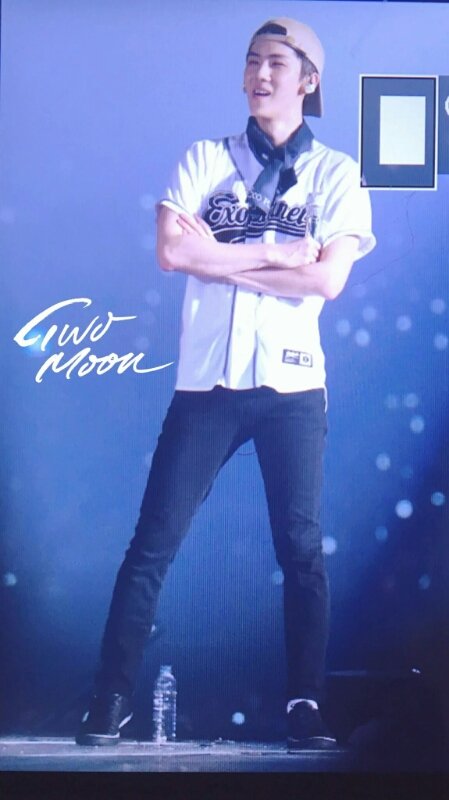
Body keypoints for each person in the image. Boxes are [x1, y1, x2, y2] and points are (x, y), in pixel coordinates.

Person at [76, 16, 375, 750]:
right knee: (152, 544)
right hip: (206, 383)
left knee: (300, 549)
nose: (259, 75)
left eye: (275, 63)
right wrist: (279, 253)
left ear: (308, 80)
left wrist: (227, 258)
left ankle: (304, 704)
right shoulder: (205, 159)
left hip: (291, 386)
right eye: (250, 61)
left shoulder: (336, 174)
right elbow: (173, 254)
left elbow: (327, 280)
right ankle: (108, 700)